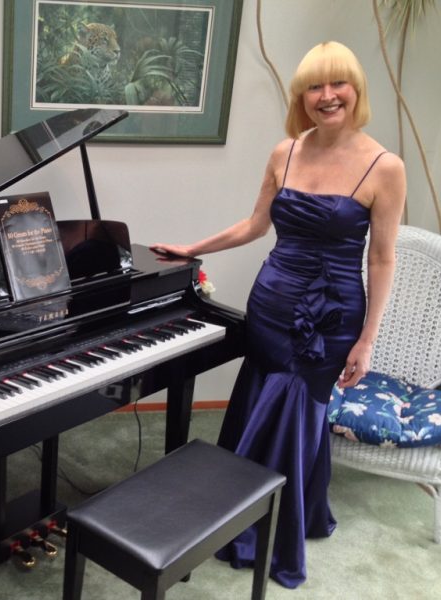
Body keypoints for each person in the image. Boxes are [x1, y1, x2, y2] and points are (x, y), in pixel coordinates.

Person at [151, 41, 406, 588]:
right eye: (314, 86)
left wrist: (366, 340)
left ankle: (266, 533)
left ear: (356, 91)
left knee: (296, 407)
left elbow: (382, 258)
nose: (327, 95)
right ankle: (261, 511)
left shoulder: (386, 167)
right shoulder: (284, 152)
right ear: (301, 96)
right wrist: (191, 248)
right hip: (270, 302)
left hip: (332, 315)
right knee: (259, 397)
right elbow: (254, 226)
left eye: (338, 84)